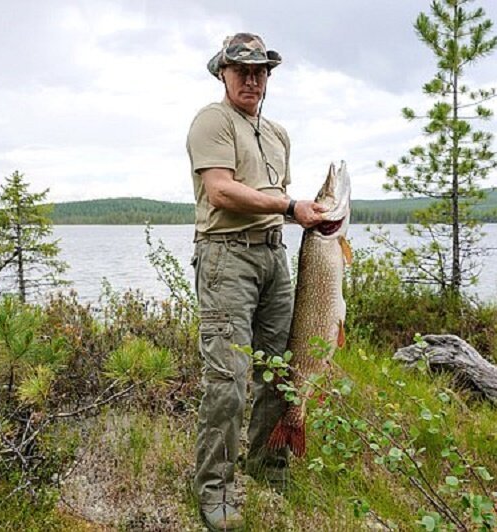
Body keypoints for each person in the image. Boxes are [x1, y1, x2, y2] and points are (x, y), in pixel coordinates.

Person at [186, 33, 325, 531]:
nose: (251, 79)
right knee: (227, 382)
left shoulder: (278, 133)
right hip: (227, 261)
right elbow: (221, 192)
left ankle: (268, 468)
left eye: (260, 70)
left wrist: (307, 216)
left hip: (274, 259)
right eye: (241, 70)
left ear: (269, 76)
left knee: (279, 370)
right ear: (222, 73)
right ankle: (214, 489)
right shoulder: (212, 121)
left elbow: (270, 199)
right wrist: (291, 207)